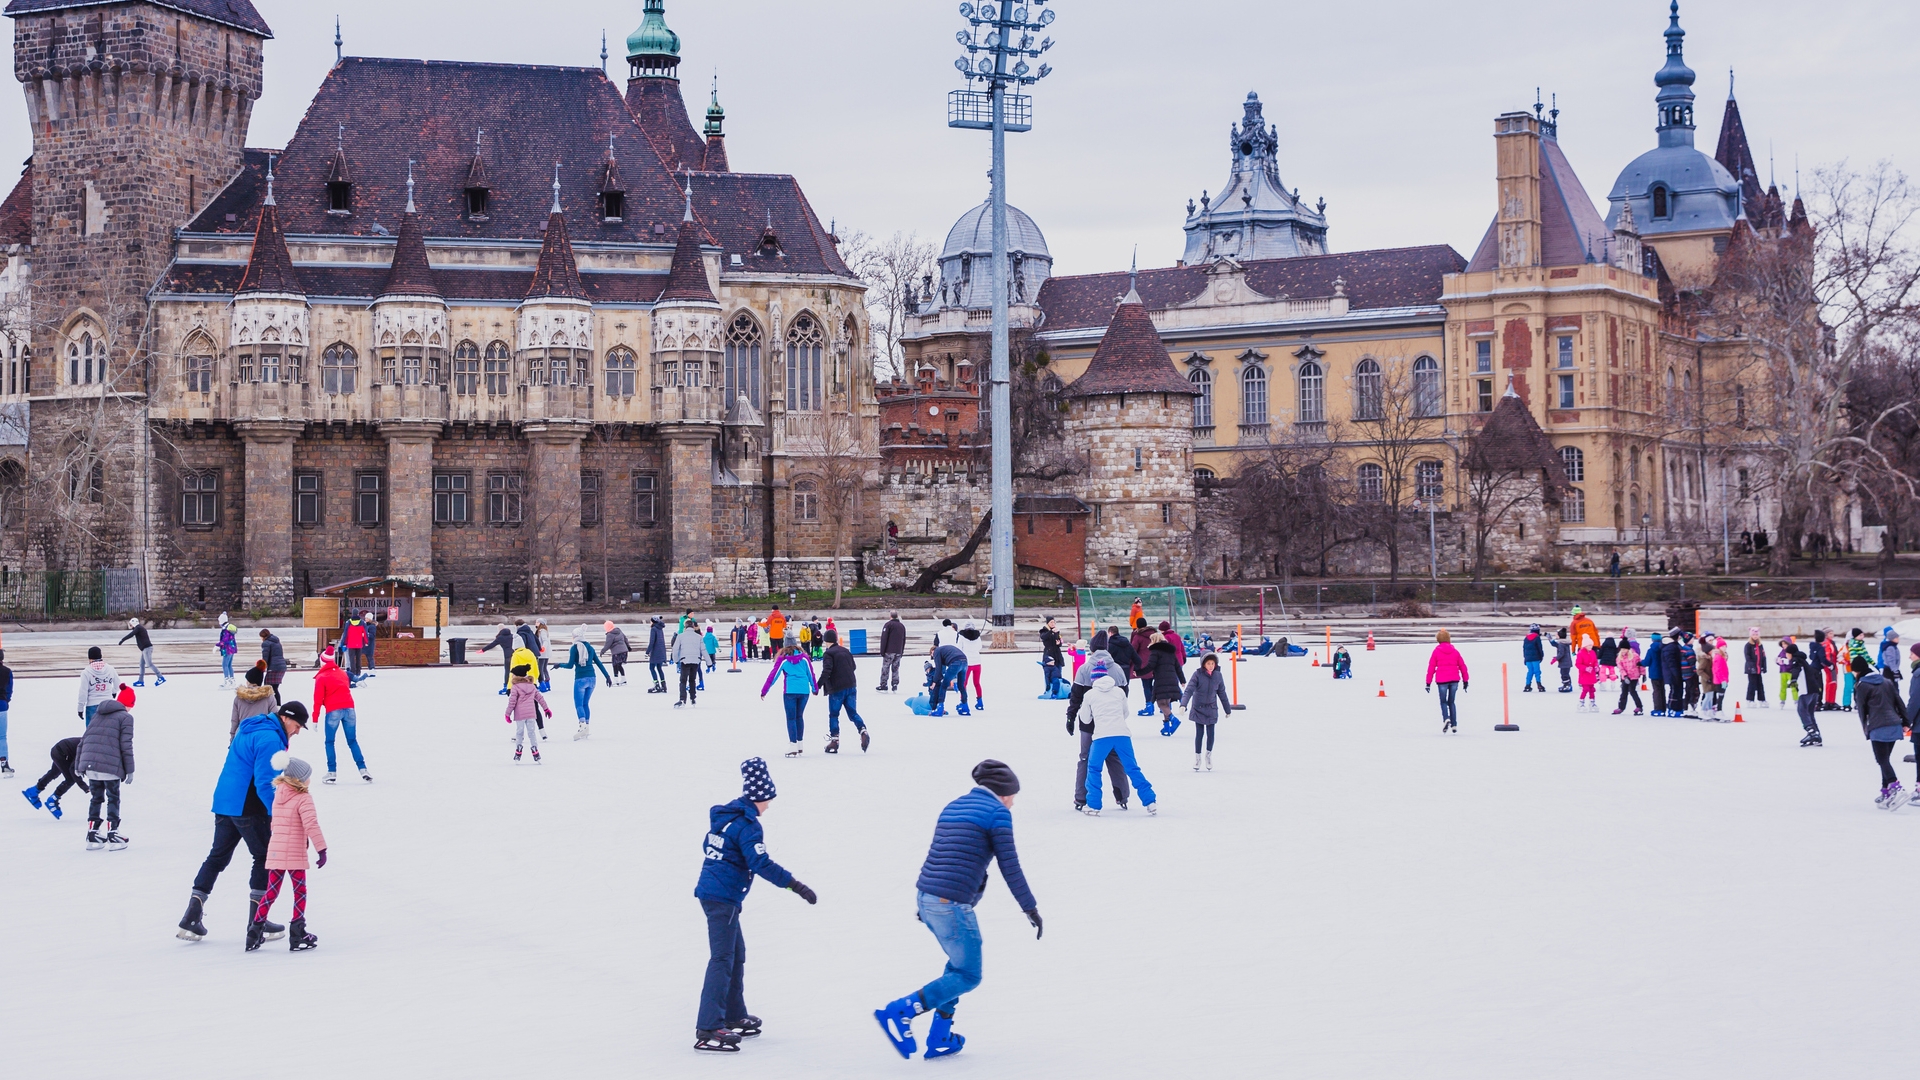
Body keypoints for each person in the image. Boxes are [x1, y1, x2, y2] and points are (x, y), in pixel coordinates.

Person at [875, 760, 1039, 1060]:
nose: (1014, 802)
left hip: (927, 897)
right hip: (948, 904)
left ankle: (940, 1035)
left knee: (958, 965)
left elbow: (951, 855)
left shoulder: (953, 805)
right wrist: (1030, 907)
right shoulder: (997, 814)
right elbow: (1009, 866)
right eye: (1013, 795)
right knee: (968, 975)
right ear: (1002, 793)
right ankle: (899, 1012)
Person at [692, 757, 816, 1053]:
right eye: (768, 799)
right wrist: (795, 885)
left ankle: (733, 1015)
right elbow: (760, 862)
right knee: (722, 959)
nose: (769, 805)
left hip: (717, 895)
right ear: (760, 796)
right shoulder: (747, 825)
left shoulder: (728, 817)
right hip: (722, 899)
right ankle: (708, 1026)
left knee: (736, 954)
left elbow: (710, 847)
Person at [178, 700, 309, 943]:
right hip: (247, 805)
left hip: (225, 801)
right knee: (264, 857)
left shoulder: (251, 727)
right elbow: (264, 783)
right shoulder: (270, 739)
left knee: (217, 857)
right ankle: (256, 922)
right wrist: (280, 815)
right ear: (285, 718)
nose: (298, 730)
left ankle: (191, 916)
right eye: (298, 725)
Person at [251, 752, 326, 952]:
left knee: (271, 892)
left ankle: (254, 930)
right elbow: (311, 824)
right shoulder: (303, 798)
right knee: (299, 891)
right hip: (294, 855)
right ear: (299, 779)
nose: (310, 779)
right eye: (307, 776)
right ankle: (298, 932)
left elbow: (275, 823)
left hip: (275, 852)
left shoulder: (279, 795)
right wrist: (322, 848)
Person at [1078, 659, 1158, 816]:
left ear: (1094, 679)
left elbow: (1085, 719)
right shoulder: (1119, 692)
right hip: (1122, 735)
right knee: (1132, 768)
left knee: (1094, 768)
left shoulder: (1090, 695)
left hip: (1101, 736)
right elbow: (1125, 713)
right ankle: (1150, 801)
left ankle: (1094, 804)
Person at [1066, 632, 1132, 812]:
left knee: (1086, 758)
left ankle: (1081, 798)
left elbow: (1076, 697)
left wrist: (1070, 717)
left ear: (1092, 648)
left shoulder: (1085, 669)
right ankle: (1122, 796)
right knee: (1114, 757)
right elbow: (1124, 696)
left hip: (1089, 725)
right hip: (1112, 723)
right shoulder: (1117, 670)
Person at [76, 693, 135, 851]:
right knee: (113, 798)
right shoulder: (126, 718)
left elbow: (84, 740)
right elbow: (126, 745)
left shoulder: (98, 714)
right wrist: (130, 770)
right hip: (109, 766)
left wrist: (78, 765)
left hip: (89, 765)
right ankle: (113, 833)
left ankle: (93, 833)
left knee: (96, 798)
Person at [1853, 656, 1912, 809]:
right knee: (1884, 759)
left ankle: (1895, 785)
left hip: (1878, 726)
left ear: (1857, 671)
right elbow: (1899, 702)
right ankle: (1886, 791)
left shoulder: (1862, 685)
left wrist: (1866, 729)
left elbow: (1861, 710)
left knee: (1881, 760)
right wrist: (1906, 722)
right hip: (1894, 724)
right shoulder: (1886, 681)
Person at [312, 648, 370, 783]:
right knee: (352, 741)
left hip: (333, 710)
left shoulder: (322, 677)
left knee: (329, 742)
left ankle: (331, 772)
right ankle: (363, 769)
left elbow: (317, 700)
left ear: (323, 662)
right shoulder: (342, 674)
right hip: (349, 708)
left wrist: (315, 718)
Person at [553, 625, 613, 739]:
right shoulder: (590, 647)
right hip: (592, 679)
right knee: (585, 704)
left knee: (579, 704)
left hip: (580, 679)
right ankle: (587, 726)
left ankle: (582, 727)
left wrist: (559, 665)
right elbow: (599, 663)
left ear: (575, 637)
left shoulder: (574, 648)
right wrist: (607, 676)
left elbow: (570, 665)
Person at [817, 630, 869, 754]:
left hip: (837, 688)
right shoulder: (845, 651)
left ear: (826, 640)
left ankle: (835, 741)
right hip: (851, 685)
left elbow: (827, 671)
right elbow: (854, 667)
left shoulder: (828, 654)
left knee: (834, 714)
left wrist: (817, 685)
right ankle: (863, 730)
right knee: (852, 713)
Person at [761, 645, 817, 756]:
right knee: (799, 716)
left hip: (790, 692)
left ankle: (793, 745)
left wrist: (764, 690)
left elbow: (773, 676)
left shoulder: (783, 660)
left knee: (791, 718)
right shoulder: (805, 658)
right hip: (804, 692)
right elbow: (811, 673)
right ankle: (800, 745)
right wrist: (814, 688)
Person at [1181, 652, 1232, 771]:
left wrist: (1227, 709)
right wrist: (1183, 704)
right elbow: (1189, 690)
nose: (1210, 666)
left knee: (1211, 733)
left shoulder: (1218, 676)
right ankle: (1197, 757)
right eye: (1208, 663)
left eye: (1212, 663)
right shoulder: (1197, 675)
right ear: (1203, 664)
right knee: (1199, 734)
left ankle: (1208, 756)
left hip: (1211, 708)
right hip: (1198, 708)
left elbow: (1222, 693)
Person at [21, 736, 88, 819]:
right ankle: (53, 799)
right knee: (70, 779)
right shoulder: (88, 751)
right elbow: (72, 769)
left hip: (61, 749)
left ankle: (34, 790)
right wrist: (84, 787)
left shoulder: (92, 745)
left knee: (54, 772)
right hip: (62, 753)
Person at [1425, 630, 1469, 732]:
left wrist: (1428, 683)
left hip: (1442, 681)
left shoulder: (1436, 652)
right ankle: (1454, 725)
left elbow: (1431, 668)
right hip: (1454, 680)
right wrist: (1465, 680)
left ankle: (1446, 718)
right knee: (1452, 702)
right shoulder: (1455, 651)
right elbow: (1463, 666)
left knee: (1443, 702)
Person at [505, 667, 550, 763]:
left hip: (520, 714)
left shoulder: (515, 687)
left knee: (519, 732)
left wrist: (507, 714)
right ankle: (535, 749)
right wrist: (546, 709)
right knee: (531, 732)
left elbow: (512, 702)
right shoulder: (532, 686)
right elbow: (540, 698)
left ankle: (518, 749)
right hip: (531, 714)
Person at [1146, 631, 1186, 736]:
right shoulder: (1170, 652)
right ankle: (1167, 727)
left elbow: (1150, 666)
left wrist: (1139, 672)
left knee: (1161, 703)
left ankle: (1173, 719)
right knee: (1166, 703)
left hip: (1161, 680)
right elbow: (1178, 667)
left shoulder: (1155, 652)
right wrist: (1182, 680)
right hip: (1172, 680)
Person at [77, 646, 119, 727]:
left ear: (90, 658)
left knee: (92, 731)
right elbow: (118, 684)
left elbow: (83, 692)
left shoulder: (86, 672)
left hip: (92, 705)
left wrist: (80, 708)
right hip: (108, 703)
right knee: (108, 728)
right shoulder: (110, 669)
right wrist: (113, 692)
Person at [926, 641, 969, 718]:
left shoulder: (936, 651)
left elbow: (938, 669)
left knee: (943, 685)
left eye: (932, 656)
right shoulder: (944, 650)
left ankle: (939, 708)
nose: (934, 658)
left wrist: (934, 682)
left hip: (955, 663)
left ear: (932, 651)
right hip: (964, 661)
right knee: (961, 686)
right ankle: (965, 707)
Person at [672, 619, 709, 708]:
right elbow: (703, 650)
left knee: (683, 680)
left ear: (685, 627)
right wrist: (709, 662)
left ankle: (682, 699)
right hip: (695, 661)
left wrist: (676, 660)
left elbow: (675, 649)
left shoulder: (680, 636)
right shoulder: (699, 637)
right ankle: (693, 699)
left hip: (685, 660)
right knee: (692, 680)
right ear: (693, 627)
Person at [118, 617, 165, 687]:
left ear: (133, 624)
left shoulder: (138, 628)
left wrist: (122, 640)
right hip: (145, 649)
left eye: (131, 624)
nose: (130, 626)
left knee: (149, 664)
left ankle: (160, 677)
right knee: (141, 664)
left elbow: (131, 634)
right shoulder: (138, 628)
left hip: (147, 648)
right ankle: (141, 680)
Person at [1104, 624, 1140, 704]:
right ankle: (1123, 704)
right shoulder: (1128, 644)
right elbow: (1137, 659)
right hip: (1125, 669)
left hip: (1113, 669)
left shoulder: (1109, 645)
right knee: (1124, 687)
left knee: (1112, 688)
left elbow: (1105, 658)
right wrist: (1136, 669)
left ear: (1110, 633)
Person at [477, 623, 517, 695]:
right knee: (516, 671)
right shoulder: (512, 636)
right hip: (516, 655)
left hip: (508, 656)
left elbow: (492, 645)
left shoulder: (500, 638)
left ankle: (506, 687)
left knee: (507, 671)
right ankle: (517, 686)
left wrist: (483, 650)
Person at [1129, 618, 1157, 716]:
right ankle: (1165, 705)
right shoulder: (1155, 634)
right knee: (1158, 684)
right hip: (1156, 662)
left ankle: (1149, 707)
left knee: (1146, 685)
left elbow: (1133, 650)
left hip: (1144, 664)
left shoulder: (1138, 637)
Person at [1613, 635, 1645, 715]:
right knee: (1624, 692)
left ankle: (1639, 707)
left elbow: (1640, 665)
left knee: (1632, 691)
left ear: (1628, 649)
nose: (1623, 651)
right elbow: (1621, 668)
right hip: (1625, 677)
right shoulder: (1619, 657)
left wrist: (1643, 674)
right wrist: (1625, 676)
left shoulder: (1635, 656)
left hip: (1634, 677)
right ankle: (1621, 707)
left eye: (1625, 649)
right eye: (1622, 649)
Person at [878, 612, 908, 693]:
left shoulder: (888, 625)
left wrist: (882, 651)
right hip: (898, 651)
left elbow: (884, 638)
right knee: (896, 668)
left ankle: (883, 685)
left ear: (890, 616)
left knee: (885, 667)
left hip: (889, 650)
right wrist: (901, 651)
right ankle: (895, 684)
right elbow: (904, 639)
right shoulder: (902, 626)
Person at [260, 629, 287, 705]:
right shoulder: (277, 641)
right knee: (275, 688)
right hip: (281, 666)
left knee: (267, 687)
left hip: (274, 667)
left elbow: (265, 657)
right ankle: (277, 705)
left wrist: (262, 667)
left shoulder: (266, 643)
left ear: (263, 636)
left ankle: (269, 706)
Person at [1038, 617, 1064, 698]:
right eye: (1051, 622)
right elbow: (1043, 637)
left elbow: (1059, 641)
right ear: (1047, 623)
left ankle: (1058, 690)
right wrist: (1050, 631)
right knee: (1048, 674)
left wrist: (1058, 643)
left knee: (1058, 673)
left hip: (1057, 654)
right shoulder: (1044, 630)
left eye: (1054, 622)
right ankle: (1048, 690)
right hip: (1049, 654)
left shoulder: (1057, 631)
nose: (1053, 624)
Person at [1743, 628, 1769, 703]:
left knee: (1760, 684)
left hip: (1758, 668)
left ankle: (1762, 699)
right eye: (1753, 635)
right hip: (1751, 669)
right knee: (1752, 684)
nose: (1755, 636)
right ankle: (1750, 699)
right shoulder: (1748, 645)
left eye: (1756, 635)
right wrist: (1752, 666)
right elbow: (1747, 657)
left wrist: (1764, 667)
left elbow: (1763, 656)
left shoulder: (1760, 645)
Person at [1777, 637, 1804, 711]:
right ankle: (1782, 700)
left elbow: (1794, 661)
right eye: (1782, 644)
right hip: (1783, 671)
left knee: (1793, 686)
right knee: (1783, 686)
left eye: (1785, 644)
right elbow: (1778, 658)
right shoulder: (1782, 652)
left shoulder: (1791, 651)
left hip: (1790, 672)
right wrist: (1778, 661)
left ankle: (1796, 700)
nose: (1784, 645)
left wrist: (1788, 662)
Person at [339, 614, 365, 687]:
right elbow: (364, 634)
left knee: (350, 659)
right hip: (358, 644)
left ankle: (352, 672)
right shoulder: (361, 624)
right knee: (357, 658)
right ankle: (357, 672)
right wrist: (365, 642)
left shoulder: (348, 627)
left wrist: (343, 644)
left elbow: (345, 636)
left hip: (350, 644)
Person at [1645, 631, 1667, 715]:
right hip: (1663, 672)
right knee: (1662, 690)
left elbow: (1647, 662)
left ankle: (1658, 708)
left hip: (1654, 673)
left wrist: (1640, 663)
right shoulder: (1664, 649)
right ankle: (1663, 707)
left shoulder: (1651, 650)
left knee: (1656, 691)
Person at [1575, 635, 1600, 712]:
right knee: (1585, 689)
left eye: (1591, 645)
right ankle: (1581, 703)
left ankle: (1592, 703)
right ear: (1585, 645)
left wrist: (1596, 666)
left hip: (1591, 674)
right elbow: (1578, 664)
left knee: (1592, 689)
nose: (1591, 646)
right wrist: (1585, 668)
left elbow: (1595, 661)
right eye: (1589, 645)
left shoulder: (1592, 652)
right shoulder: (1581, 653)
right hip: (1584, 675)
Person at [646, 616, 670, 693]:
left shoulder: (653, 629)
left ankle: (656, 685)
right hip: (661, 651)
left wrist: (647, 652)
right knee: (659, 668)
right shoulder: (660, 628)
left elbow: (652, 641)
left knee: (652, 668)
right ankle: (664, 685)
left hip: (655, 652)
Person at [604, 621, 631, 686]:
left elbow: (608, 644)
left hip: (616, 653)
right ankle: (623, 680)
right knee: (619, 665)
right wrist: (628, 647)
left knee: (615, 665)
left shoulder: (610, 634)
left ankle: (616, 681)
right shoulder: (619, 631)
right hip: (624, 651)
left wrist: (602, 651)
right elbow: (625, 639)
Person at [1521, 624, 1546, 692]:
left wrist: (1525, 658)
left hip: (1528, 658)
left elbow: (1524, 649)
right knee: (1537, 671)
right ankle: (1539, 684)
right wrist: (1541, 656)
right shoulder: (1537, 638)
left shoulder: (1526, 638)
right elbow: (1539, 648)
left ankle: (1527, 685)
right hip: (1536, 658)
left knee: (1530, 671)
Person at [217, 622, 239, 688]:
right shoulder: (230, 630)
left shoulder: (226, 630)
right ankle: (232, 680)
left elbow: (224, 640)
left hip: (227, 649)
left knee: (225, 665)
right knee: (229, 665)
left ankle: (227, 681)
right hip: (232, 649)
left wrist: (217, 645)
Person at [1552, 628, 1574, 692]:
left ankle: (1567, 685)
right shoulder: (1564, 642)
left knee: (1564, 674)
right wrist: (1549, 638)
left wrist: (1556, 658)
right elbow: (1555, 644)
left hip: (1564, 663)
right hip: (1567, 662)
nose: (1555, 636)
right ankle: (1568, 685)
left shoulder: (1561, 644)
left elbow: (1561, 653)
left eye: (1556, 635)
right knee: (1566, 674)